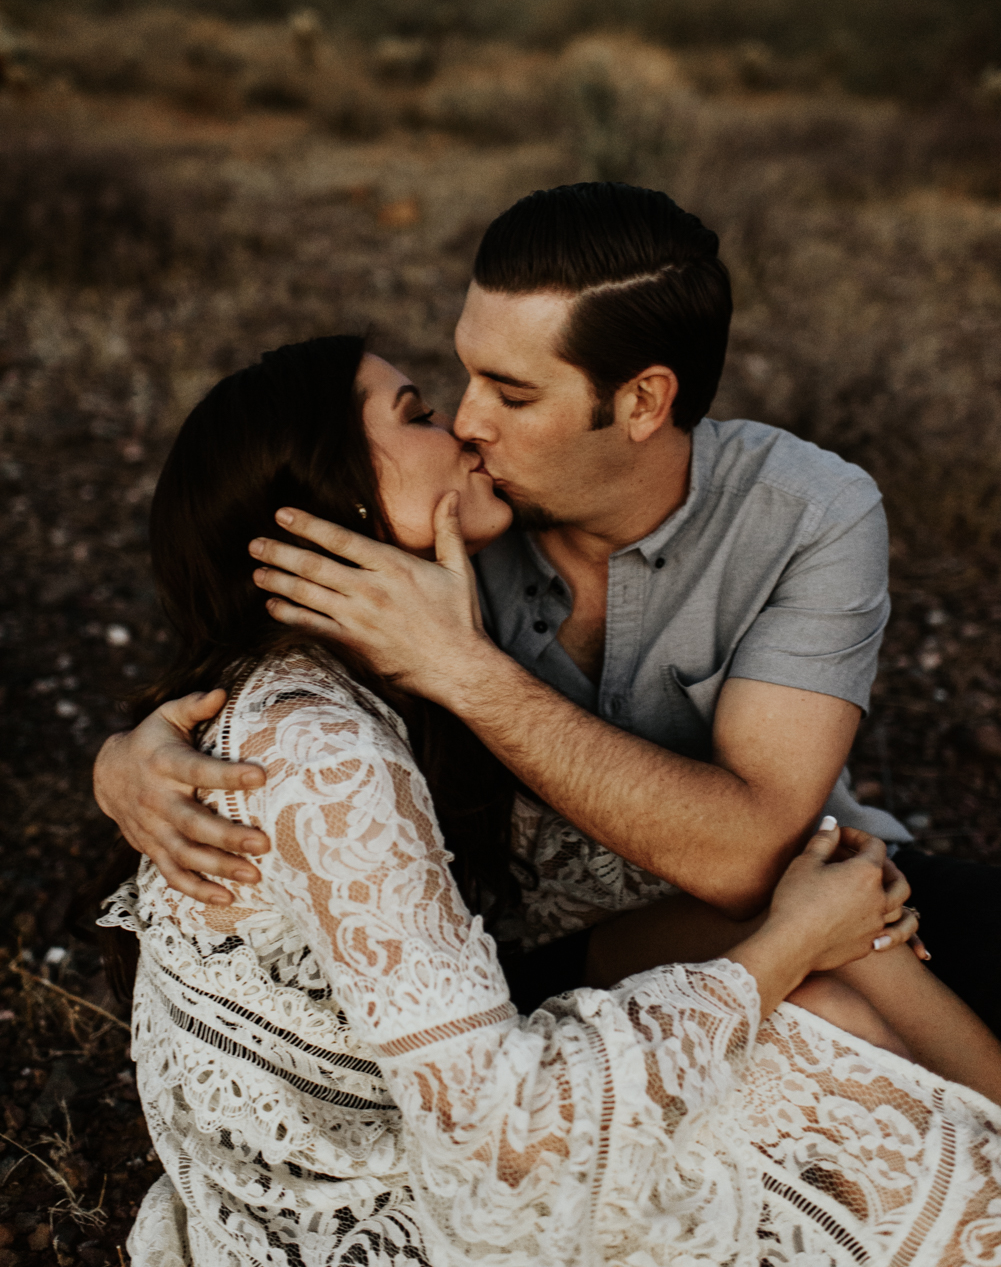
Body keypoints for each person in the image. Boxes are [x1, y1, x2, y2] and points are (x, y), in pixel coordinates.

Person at [100, 334, 1001, 1266]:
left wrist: (810, 919)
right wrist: (784, 949)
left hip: (566, 974)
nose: (468, 429)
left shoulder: (414, 636)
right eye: (420, 414)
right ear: (345, 495)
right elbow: (502, 1146)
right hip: (389, 1185)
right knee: (827, 1021)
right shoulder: (318, 736)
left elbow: (693, 863)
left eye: (504, 393)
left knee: (835, 939)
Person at [94, 181, 1001, 1031]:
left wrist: (464, 670)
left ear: (643, 400)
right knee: (852, 1021)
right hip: (547, 951)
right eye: (466, 375)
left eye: (514, 393)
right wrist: (124, 761)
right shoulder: (444, 527)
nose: (466, 421)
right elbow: (245, 637)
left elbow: (749, 854)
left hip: (792, 880)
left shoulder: (809, 515)